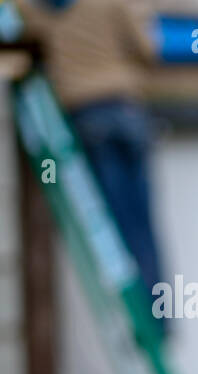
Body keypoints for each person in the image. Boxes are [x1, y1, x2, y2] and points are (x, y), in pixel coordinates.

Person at [19, 0, 165, 338]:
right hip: (126, 112)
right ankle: (155, 322)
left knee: (112, 227)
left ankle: (134, 317)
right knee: (141, 225)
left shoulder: (43, 9)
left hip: (84, 118)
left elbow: (19, 27)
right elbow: (149, 49)